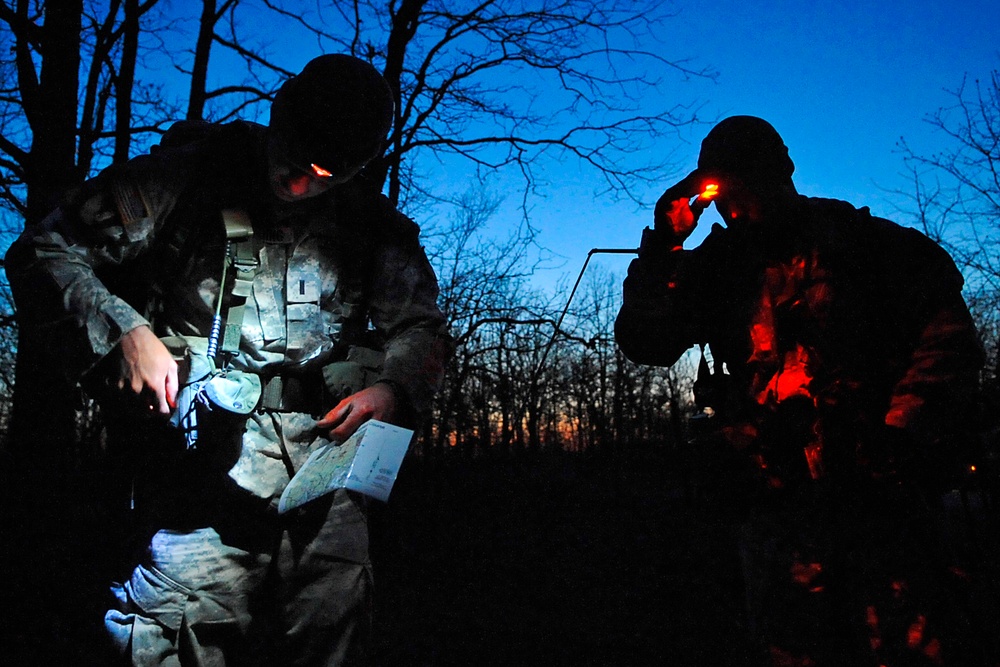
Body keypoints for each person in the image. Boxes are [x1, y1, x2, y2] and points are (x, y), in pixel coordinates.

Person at [6, 54, 452, 666]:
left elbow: (421, 327)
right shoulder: (186, 179)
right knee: (168, 640)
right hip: (200, 462)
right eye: (294, 161)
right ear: (279, 117)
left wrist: (394, 391)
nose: (300, 184)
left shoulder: (370, 225)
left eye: (325, 174)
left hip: (329, 469)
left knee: (337, 637)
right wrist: (123, 332)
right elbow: (43, 250)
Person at [615, 116, 995, 666]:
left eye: (743, 182)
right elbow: (646, 340)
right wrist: (663, 247)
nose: (731, 204)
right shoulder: (717, 270)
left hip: (883, 509)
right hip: (781, 519)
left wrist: (898, 434)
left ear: (780, 173)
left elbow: (948, 339)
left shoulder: (866, 245)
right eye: (718, 192)